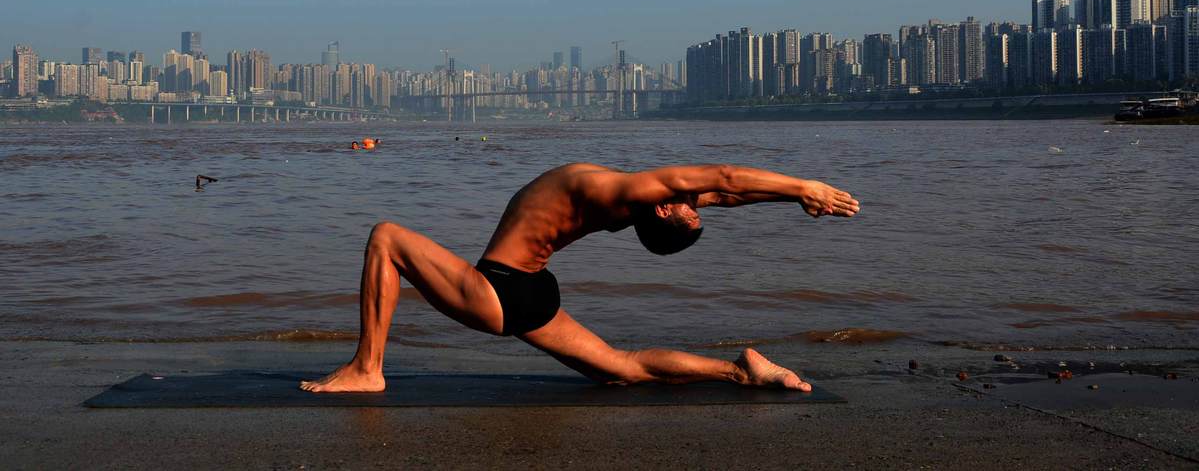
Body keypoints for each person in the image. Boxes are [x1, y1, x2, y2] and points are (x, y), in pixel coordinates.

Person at [300, 163, 860, 394]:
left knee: (386, 237)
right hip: (533, 292)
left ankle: (367, 369)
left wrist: (800, 191)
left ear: (663, 210)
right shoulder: (633, 202)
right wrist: (793, 196)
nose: (698, 205)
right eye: (694, 208)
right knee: (624, 369)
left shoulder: (630, 195)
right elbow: (727, 188)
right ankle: (740, 372)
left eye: (691, 209)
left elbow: (724, 181)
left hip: (500, 289)